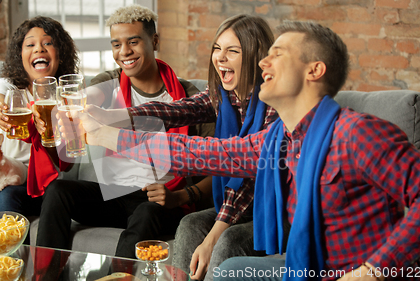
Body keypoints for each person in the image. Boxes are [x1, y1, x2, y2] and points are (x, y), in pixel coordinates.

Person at [77, 20, 420, 281]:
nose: (262, 64)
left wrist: (373, 270)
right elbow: (198, 152)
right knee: (230, 271)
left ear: (314, 70)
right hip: (313, 269)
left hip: (363, 272)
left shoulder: (357, 133)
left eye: (278, 55)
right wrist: (104, 134)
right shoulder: (280, 140)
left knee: (229, 264)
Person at [84, 14, 277, 280]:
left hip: (273, 209)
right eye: (217, 48)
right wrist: (114, 117)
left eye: (233, 51)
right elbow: (174, 110)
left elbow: (243, 174)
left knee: (227, 240)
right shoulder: (224, 96)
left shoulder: (275, 108)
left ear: (257, 57)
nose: (220, 58)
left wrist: (212, 238)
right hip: (238, 207)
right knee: (189, 224)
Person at [34, 4, 213, 259]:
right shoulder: (111, 82)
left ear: (155, 41)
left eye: (133, 41)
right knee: (59, 191)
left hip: (161, 200)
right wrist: (66, 109)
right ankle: (45, 275)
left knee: (147, 211)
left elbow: (220, 169)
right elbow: (90, 97)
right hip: (115, 196)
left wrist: (180, 196)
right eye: (116, 44)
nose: (124, 52)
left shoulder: (190, 99)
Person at [0, 16, 79, 231]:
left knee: (6, 197)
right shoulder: (8, 86)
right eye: (30, 44)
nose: (39, 49)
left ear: (60, 53)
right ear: (20, 55)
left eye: (48, 43)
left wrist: (45, 136)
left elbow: (64, 163)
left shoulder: (67, 98)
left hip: (37, 183)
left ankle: (11, 261)